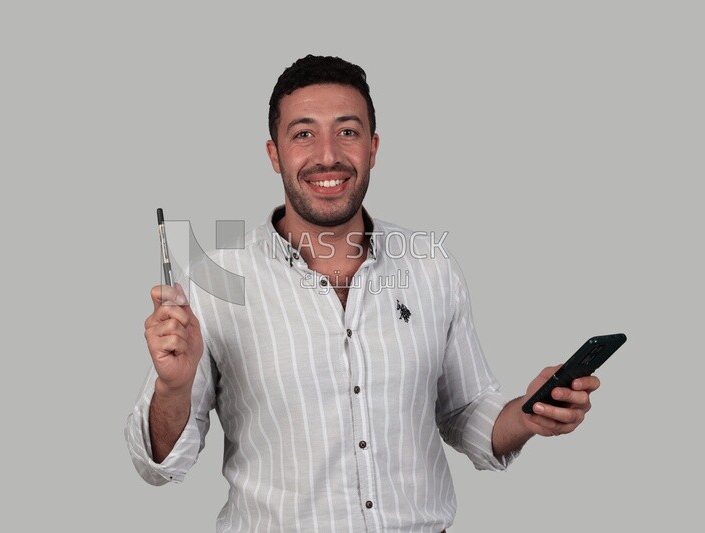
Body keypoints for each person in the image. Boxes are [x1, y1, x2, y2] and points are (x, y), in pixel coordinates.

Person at [125, 55, 599, 532]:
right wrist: (174, 387)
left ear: (373, 147)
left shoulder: (431, 267)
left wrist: (531, 411)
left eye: (347, 132)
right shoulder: (216, 282)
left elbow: (466, 410)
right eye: (303, 133)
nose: (327, 155)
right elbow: (160, 465)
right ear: (274, 154)